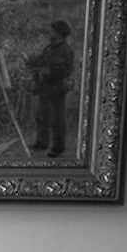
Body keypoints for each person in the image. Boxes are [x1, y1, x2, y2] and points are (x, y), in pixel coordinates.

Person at [28, 17, 75, 157]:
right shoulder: (49, 48)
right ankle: (42, 142)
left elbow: (65, 70)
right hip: (44, 87)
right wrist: (31, 61)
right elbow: (41, 60)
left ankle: (58, 146)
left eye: (51, 31)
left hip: (56, 88)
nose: (49, 34)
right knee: (41, 117)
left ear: (59, 33)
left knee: (56, 119)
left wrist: (46, 71)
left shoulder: (65, 50)